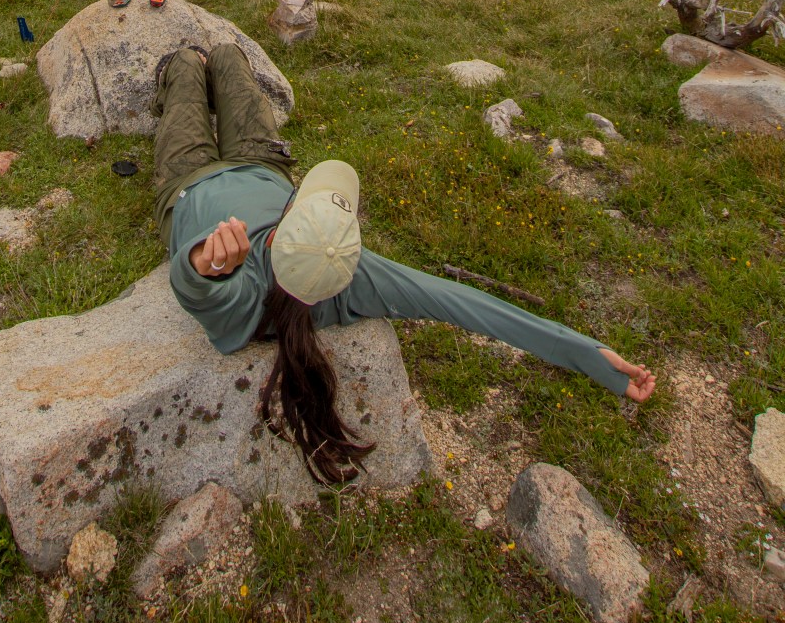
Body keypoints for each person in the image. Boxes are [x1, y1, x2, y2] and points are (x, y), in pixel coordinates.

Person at [153, 44, 656, 486]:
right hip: (262, 164)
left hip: (188, 185)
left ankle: (184, 65)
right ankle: (208, 62)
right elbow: (463, 304)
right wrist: (590, 355)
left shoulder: (241, 300)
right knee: (228, 57)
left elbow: (197, 288)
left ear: (289, 220)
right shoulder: (350, 281)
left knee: (185, 68)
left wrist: (204, 264)